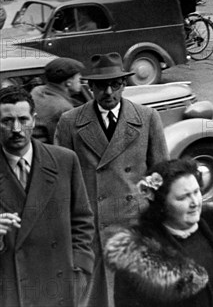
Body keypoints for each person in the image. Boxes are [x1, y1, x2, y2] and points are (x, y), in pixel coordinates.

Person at [55, 52, 169, 307]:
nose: (108, 92)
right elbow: (60, 182)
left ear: (124, 85)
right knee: (94, 297)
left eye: (115, 84)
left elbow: (161, 176)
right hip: (92, 228)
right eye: (101, 85)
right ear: (90, 86)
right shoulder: (70, 122)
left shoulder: (148, 118)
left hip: (134, 226)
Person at [105, 159, 213, 307]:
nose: (195, 202)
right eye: (183, 197)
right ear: (162, 204)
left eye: (196, 192)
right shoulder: (138, 257)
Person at [0, 86, 95, 307]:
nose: (16, 129)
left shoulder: (64, 161)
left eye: (23, 119)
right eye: (6, 121)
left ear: (34, 120)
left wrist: (80, 271)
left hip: (58, 286)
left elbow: (82, 220)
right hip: (9, 289)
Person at [31, 57, 85, 142]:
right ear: (68, 82)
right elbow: (63, 144)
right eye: (77, 76)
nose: (80, 79)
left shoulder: (37, 91)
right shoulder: (64, 109)